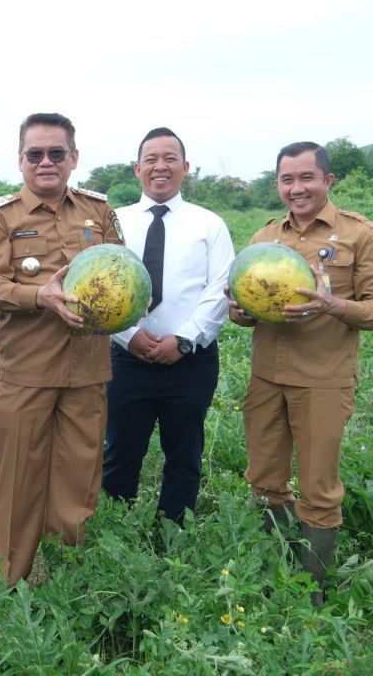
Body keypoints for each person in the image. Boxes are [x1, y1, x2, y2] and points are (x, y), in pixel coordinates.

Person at [227, 141, 373, 604]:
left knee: (318, 485)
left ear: (328, 181)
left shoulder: (361, 236)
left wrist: (333, 305)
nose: (296, 189)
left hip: (323, 380)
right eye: (287, 180)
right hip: (266, 378)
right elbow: (245, 314)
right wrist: (240, 310)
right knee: (263, 477)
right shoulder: (263, 239)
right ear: (277, 183)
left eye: (306, 178)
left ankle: (311, 590)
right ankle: (275, 569)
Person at [0, 112, 123, 586]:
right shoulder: (0, 216)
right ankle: (8, 584)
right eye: (35, 153)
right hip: (25, 373)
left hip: (86, 370)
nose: (45, 162)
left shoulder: (98, 211)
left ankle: (63, 588)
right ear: (20, 159)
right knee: (18, 484)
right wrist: (40, 295)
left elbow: (121, 272)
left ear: (73, 158)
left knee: (78, 483)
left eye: (56, 153)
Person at [103, 128, 235, 525]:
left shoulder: (209, 224)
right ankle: (118, 529)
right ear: (137, 169)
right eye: (152, 159)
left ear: (185, 167)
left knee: (185, 451)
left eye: (170, 158)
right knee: (121, 449)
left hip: (190, 361)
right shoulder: (114, 223)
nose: (161, 167)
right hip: (127, 360)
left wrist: (184, 339)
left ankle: (173, 530)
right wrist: (128, 336)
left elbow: (219, 290)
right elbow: (99, 289)